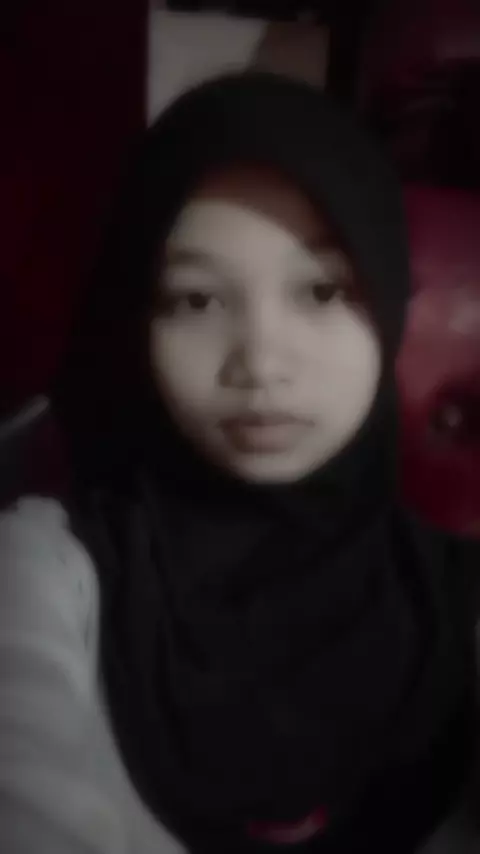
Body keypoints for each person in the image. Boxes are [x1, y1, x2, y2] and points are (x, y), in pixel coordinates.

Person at [0, 72, 478, 854]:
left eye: (322, 291)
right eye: (196, 300)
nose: (260, 363)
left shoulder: (459, 600)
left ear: (390, 300)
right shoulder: (48, 570)